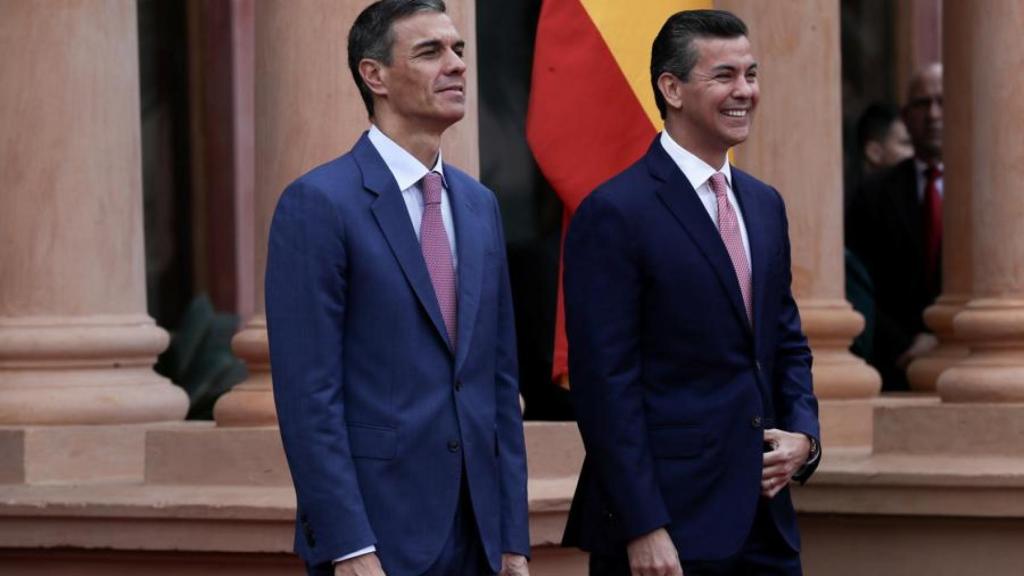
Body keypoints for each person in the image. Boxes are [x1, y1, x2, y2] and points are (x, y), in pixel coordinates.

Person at [264, 2, 530, 575]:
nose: (456, 64)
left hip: (480, 539)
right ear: (374, 75)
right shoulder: (318, 204)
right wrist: (350, 547)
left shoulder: (480, 206)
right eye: (430, 52)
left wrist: (512, 539)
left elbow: (498, 382)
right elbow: (309, 400)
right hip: (378, 542)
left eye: (458, 49)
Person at [561, 10, 820, 576]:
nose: (744, 92)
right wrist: (642, 525)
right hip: (666, 532)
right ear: (671, 88)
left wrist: (805, 434)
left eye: (751, 75)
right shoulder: (614, 213)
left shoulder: (764, 204)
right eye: (724, 76)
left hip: (766, 524)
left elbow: (784, 338)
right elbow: (606, 387)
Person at [846, 63, 944, 392]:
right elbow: (858, 281)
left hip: (970, 357)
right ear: (905, 114)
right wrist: (905, 344)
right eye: (922, 104)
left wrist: (944, 338)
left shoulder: (992, 191)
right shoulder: (872, 193)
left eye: (943, 102)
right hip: (893, 367)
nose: (933, 115)